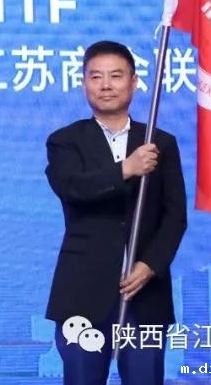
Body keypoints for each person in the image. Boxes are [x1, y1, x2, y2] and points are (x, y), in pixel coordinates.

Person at [45, 40, 187, 385]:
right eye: (96, 77)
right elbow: (72, 188)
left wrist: (150, 265)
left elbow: (175, 216)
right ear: (84, 84)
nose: (105, 85)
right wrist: (126, 169)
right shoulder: (65, 141)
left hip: (144, 295)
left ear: (134, 82)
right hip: (82, 294)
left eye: (116, 76)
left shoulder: (160, 142)